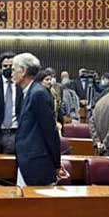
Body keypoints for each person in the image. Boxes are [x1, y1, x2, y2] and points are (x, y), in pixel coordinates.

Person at [12, 53, 64, 187]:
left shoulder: (38, 94)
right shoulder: (28, 92)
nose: (11, 73)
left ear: (23, 71)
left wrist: (56, 164)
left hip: (37, 164)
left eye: (13, 69)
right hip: (28, 161)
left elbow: (50, 132)